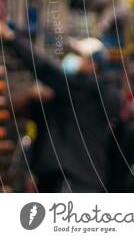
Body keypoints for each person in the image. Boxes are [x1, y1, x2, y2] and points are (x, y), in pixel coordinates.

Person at [0, 23, 121, 192]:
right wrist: (30, 95)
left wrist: (11, 37)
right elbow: (16, 110)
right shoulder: (75, 95)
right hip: (81, 179)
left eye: (80, 56)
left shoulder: (82, 89)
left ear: (93, 65)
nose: (73, 59)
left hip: (72, 181)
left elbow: (44, 68)